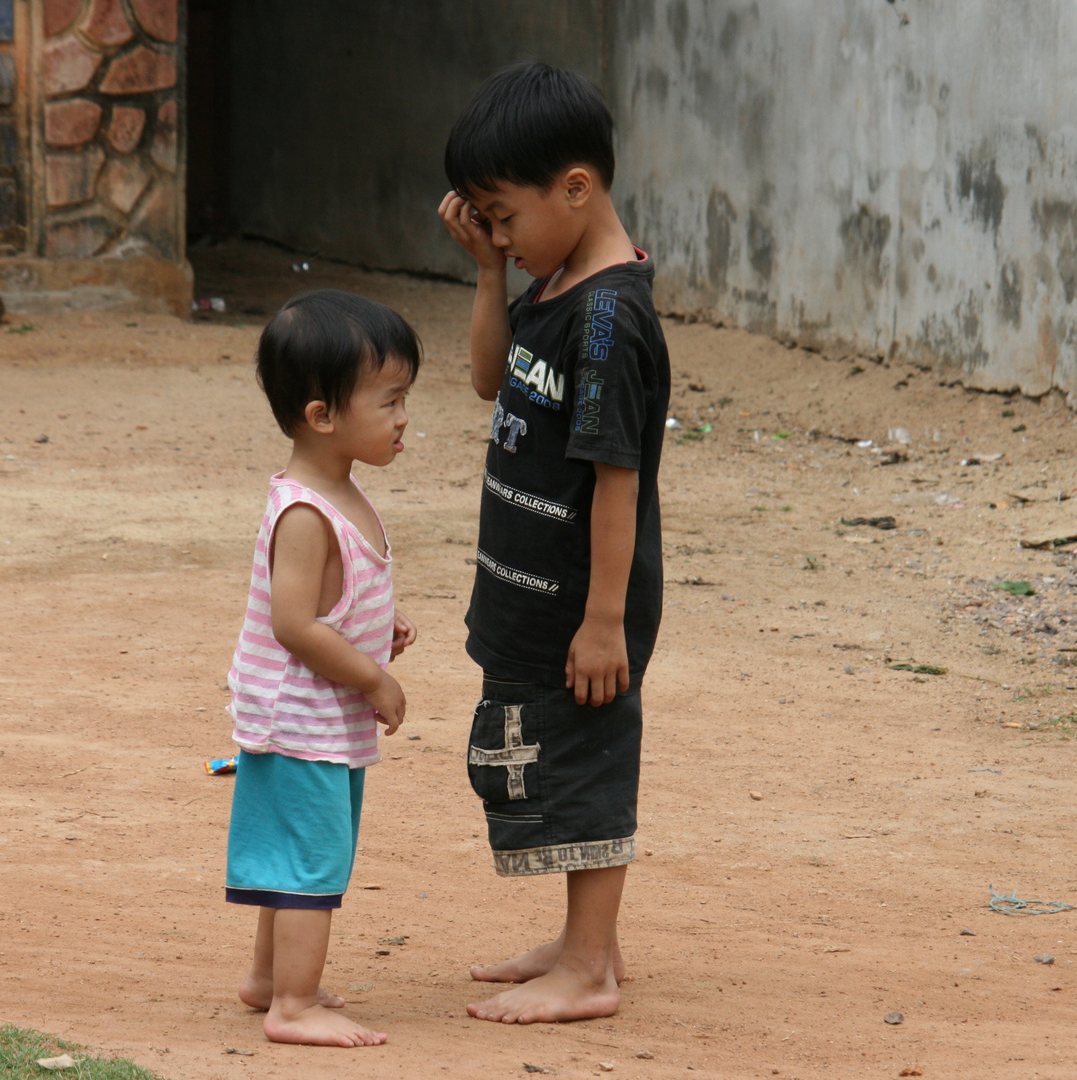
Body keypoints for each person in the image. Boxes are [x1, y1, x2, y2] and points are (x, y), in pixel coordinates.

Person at [436, 62, 671, 1024]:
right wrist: (493, 269)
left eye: (503, 217)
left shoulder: (610, 318)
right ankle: (586, 943)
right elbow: (490, 379)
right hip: (533, 592)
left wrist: (604, 620)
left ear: (576, 189)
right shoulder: (553, 282)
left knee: (585, 763)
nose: (496, 234)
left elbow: (617, 479)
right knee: (543, 754)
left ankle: (590, 971)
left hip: (585, 602)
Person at [223, 289, 420, 1047]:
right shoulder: (306, 510)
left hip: (318, 719)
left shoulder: (343, 489)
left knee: (296, 850)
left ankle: (268, 979)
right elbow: (295, 622)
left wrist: (378, 627)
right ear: (323, 417)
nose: (404, 416)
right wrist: (372, 678)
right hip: (301, 720)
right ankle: (293, 1007)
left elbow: (332, 603)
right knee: (312, 861)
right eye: (390, 399)